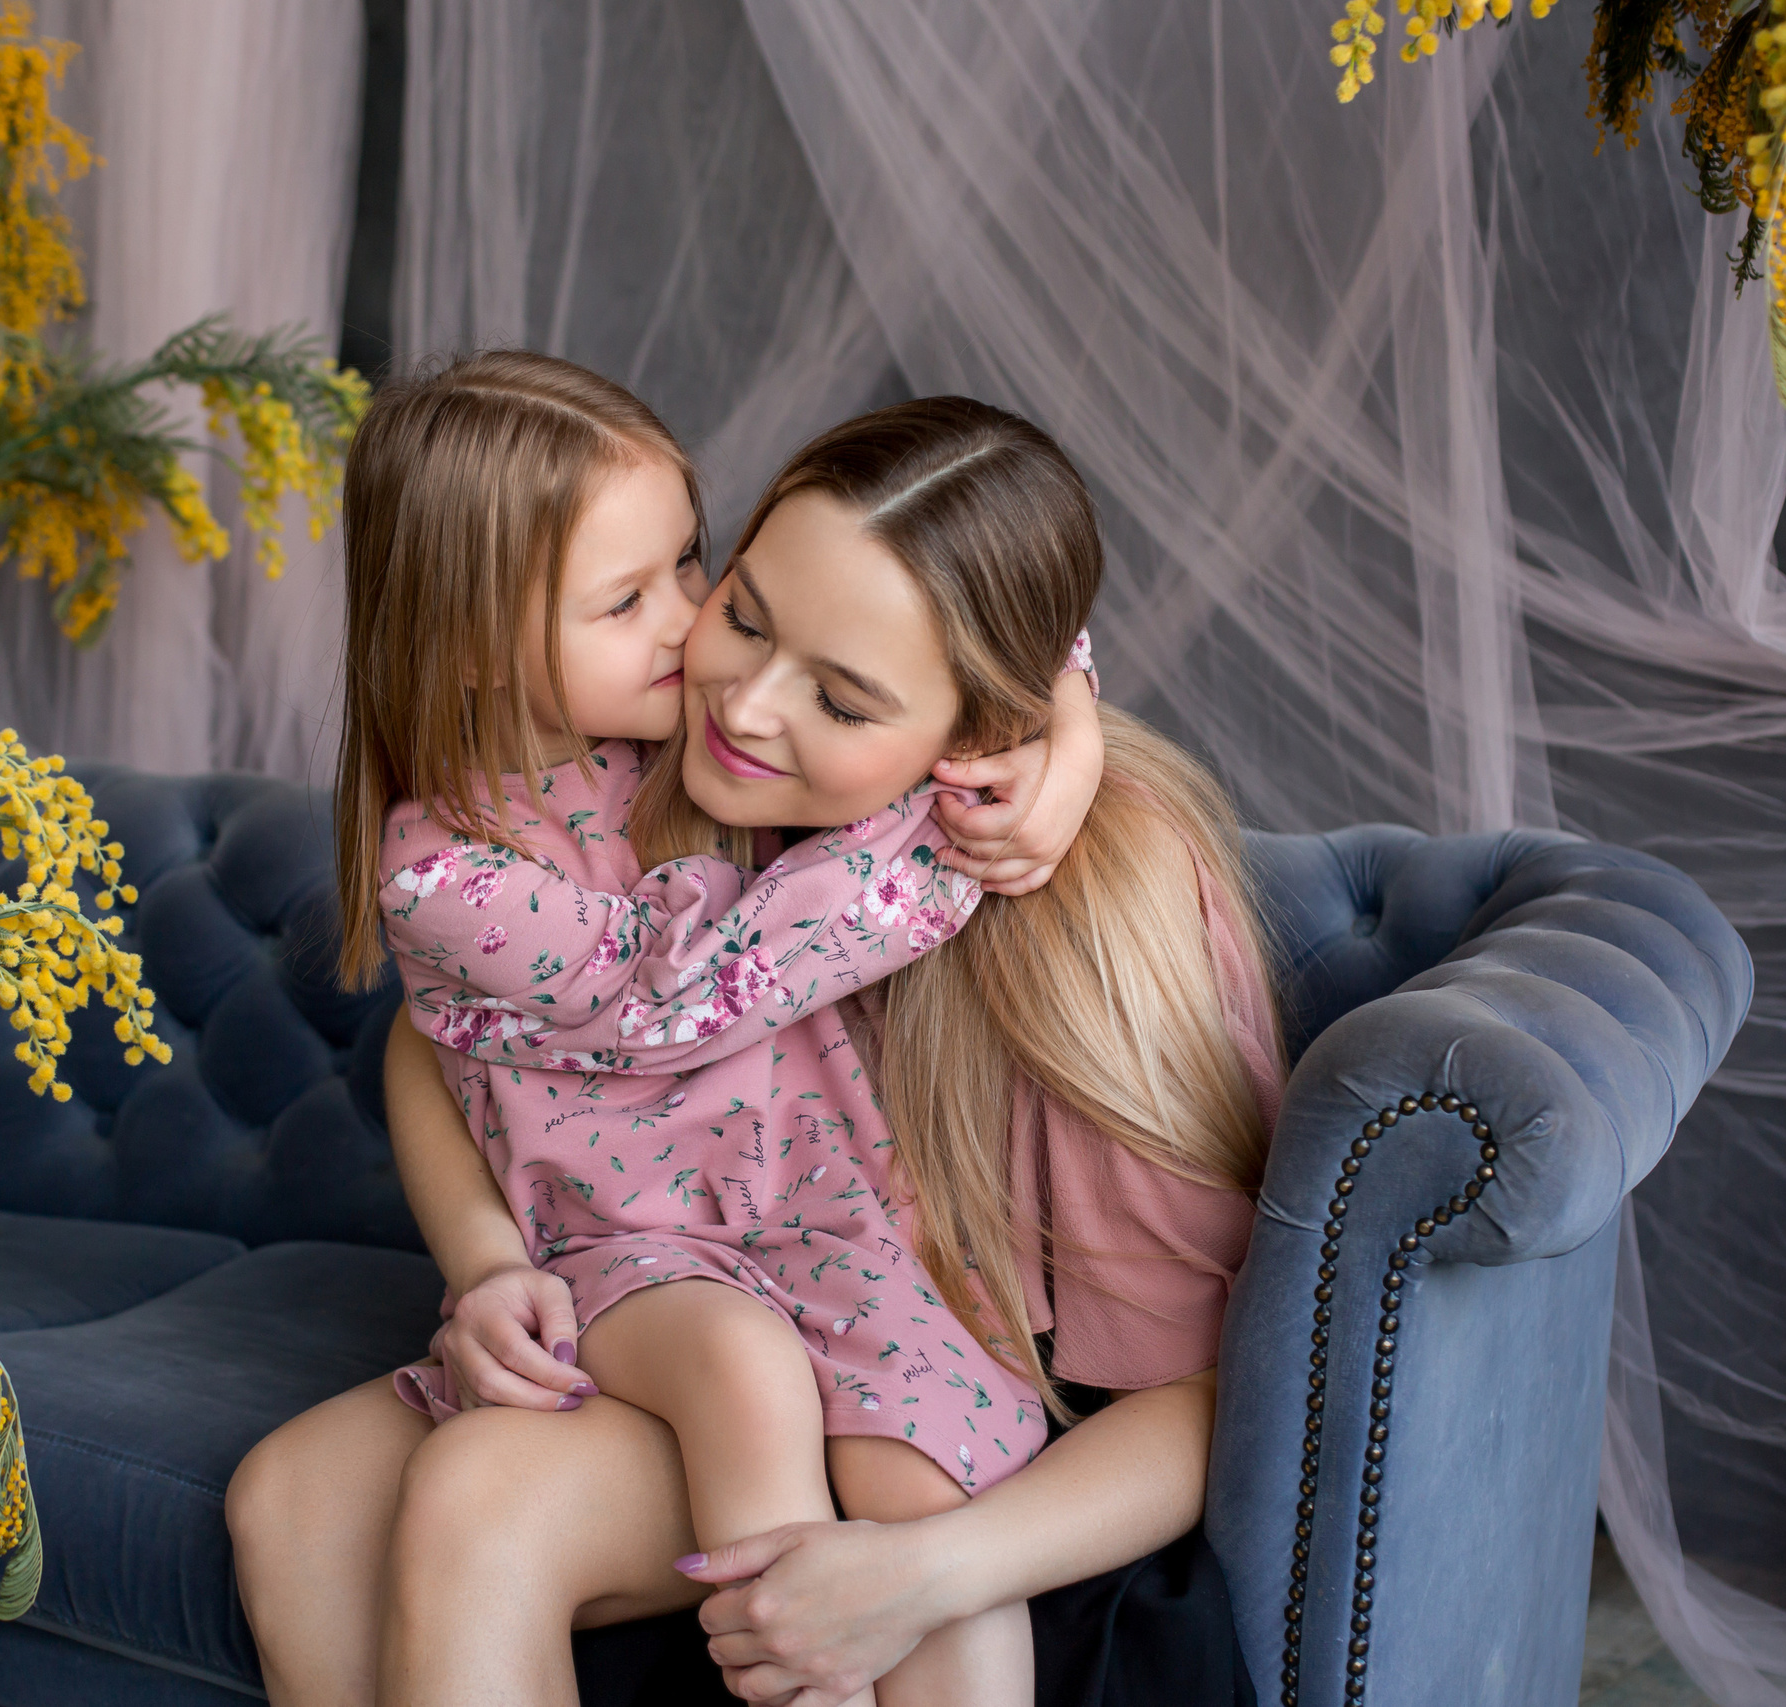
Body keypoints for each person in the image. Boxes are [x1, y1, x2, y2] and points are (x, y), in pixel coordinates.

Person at [231, 391, 1282, 1706]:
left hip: (934, 1421)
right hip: (674, 1300)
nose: (736, 697)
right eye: (740, 609)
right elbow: (445, 1036)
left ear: (968, 733)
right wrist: (483, 1259)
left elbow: (1214, 1389)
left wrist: (932, 1573)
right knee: (289, 1497)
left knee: (480, 1493)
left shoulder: (1077, 906)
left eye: (840, 699)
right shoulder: (654, 758)